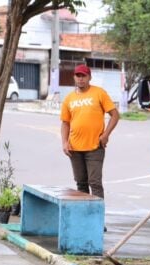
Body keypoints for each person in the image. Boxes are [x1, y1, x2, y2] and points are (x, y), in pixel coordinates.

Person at [60, 64, 119, 203]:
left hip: (95, 147)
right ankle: (84, 219)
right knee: (81, 183)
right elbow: (65, 123)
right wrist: (64, 142)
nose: (80, 79)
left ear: (89, 77)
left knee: (95, 183)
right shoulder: (69, 99)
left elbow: (115, 115)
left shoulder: (99, 93)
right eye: (78, 76)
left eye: (83, 76)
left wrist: (105, 135)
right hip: (74, 149)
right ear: (74, 77)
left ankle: (97, 221)